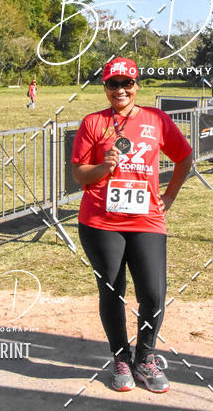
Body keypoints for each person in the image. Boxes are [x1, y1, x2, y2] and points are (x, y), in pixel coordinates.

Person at [71, 57, 193, 393]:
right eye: (113, 84)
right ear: (105, 87)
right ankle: (120, 357)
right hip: (100, 221)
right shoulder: (93, 123)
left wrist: (168, 197)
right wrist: (104, 168)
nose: (121, 90)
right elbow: (79, 174)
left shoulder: (156, 120)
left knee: (153, 293)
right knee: (112, 291)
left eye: (127, 84)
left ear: (137, 85)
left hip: (147, 220)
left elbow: (185, 156)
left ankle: (145, 357)